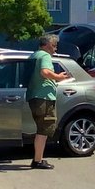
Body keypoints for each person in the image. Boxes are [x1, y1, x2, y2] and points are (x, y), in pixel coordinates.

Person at [26, 34, 70, 170]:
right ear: (46, 45)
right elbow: (45, 72)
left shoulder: (34, 55)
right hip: (44, 97)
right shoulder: (45, 56)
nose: (55, 48)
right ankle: (37, 160)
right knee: (43, 130)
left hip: (34, 96)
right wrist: (58, 77)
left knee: (41, 129)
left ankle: (37, 159)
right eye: (53, 44)